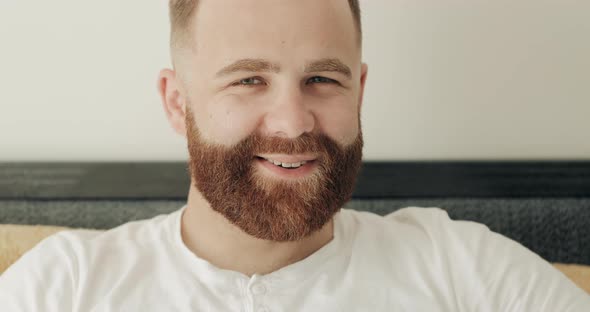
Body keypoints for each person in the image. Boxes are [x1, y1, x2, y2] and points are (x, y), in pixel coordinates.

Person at [1, 0, 589, 310]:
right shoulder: (63, 287)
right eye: (249, 79)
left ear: (360, 90)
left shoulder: (463, 269)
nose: (293, 122)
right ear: (178, 103)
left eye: (323, 80)